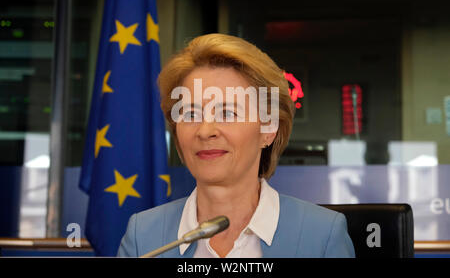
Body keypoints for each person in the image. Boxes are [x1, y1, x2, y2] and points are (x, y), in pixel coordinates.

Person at [117, 33, 355, 258]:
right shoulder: (143, 237)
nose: (205, 131)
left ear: (268, 130)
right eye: (190, 114)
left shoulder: (321, 235)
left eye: (227, 113)